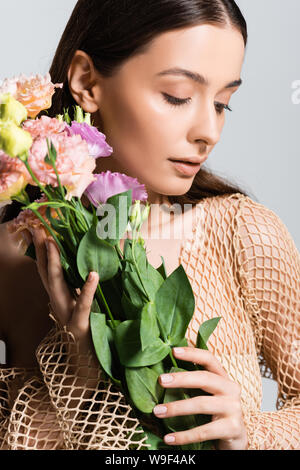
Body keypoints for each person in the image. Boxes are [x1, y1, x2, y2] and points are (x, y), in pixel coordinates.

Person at [0, 0, 299, 451]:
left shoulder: (241, 234)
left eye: (223, 104)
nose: (209, 131)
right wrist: (78, 371)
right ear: (86, 81)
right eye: (178, 95)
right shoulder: (11, 259)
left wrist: (244, 434)